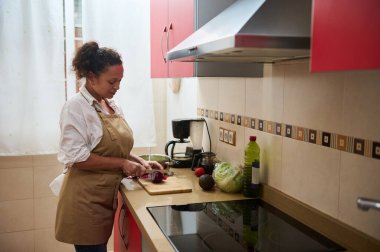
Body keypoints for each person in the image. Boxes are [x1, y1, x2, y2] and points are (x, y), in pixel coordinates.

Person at [55, 41, 162, 252]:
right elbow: (77, 158)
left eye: (120, 81)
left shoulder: (110, 104)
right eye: (112, 81)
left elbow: (114, 147)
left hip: (104, 197)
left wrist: (140, 161)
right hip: (85, 201)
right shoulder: (76, 107)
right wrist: (122, 163)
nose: (117, 87)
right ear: (92, 78)